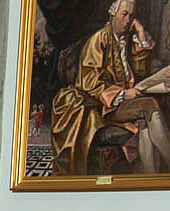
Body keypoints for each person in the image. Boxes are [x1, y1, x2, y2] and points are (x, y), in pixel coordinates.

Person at [52, 0, 170, 174]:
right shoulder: (98, 40)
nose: (128, 20)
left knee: (144, 126)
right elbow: (89, 82)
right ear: (112, 14)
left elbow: (140, 72)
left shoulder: (126, 40)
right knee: (150, 104)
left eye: (132, 16)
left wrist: (141, 33)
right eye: (124, 14)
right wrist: (123, 93)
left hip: (124, 103)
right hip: (103, 108)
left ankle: (148, 177)